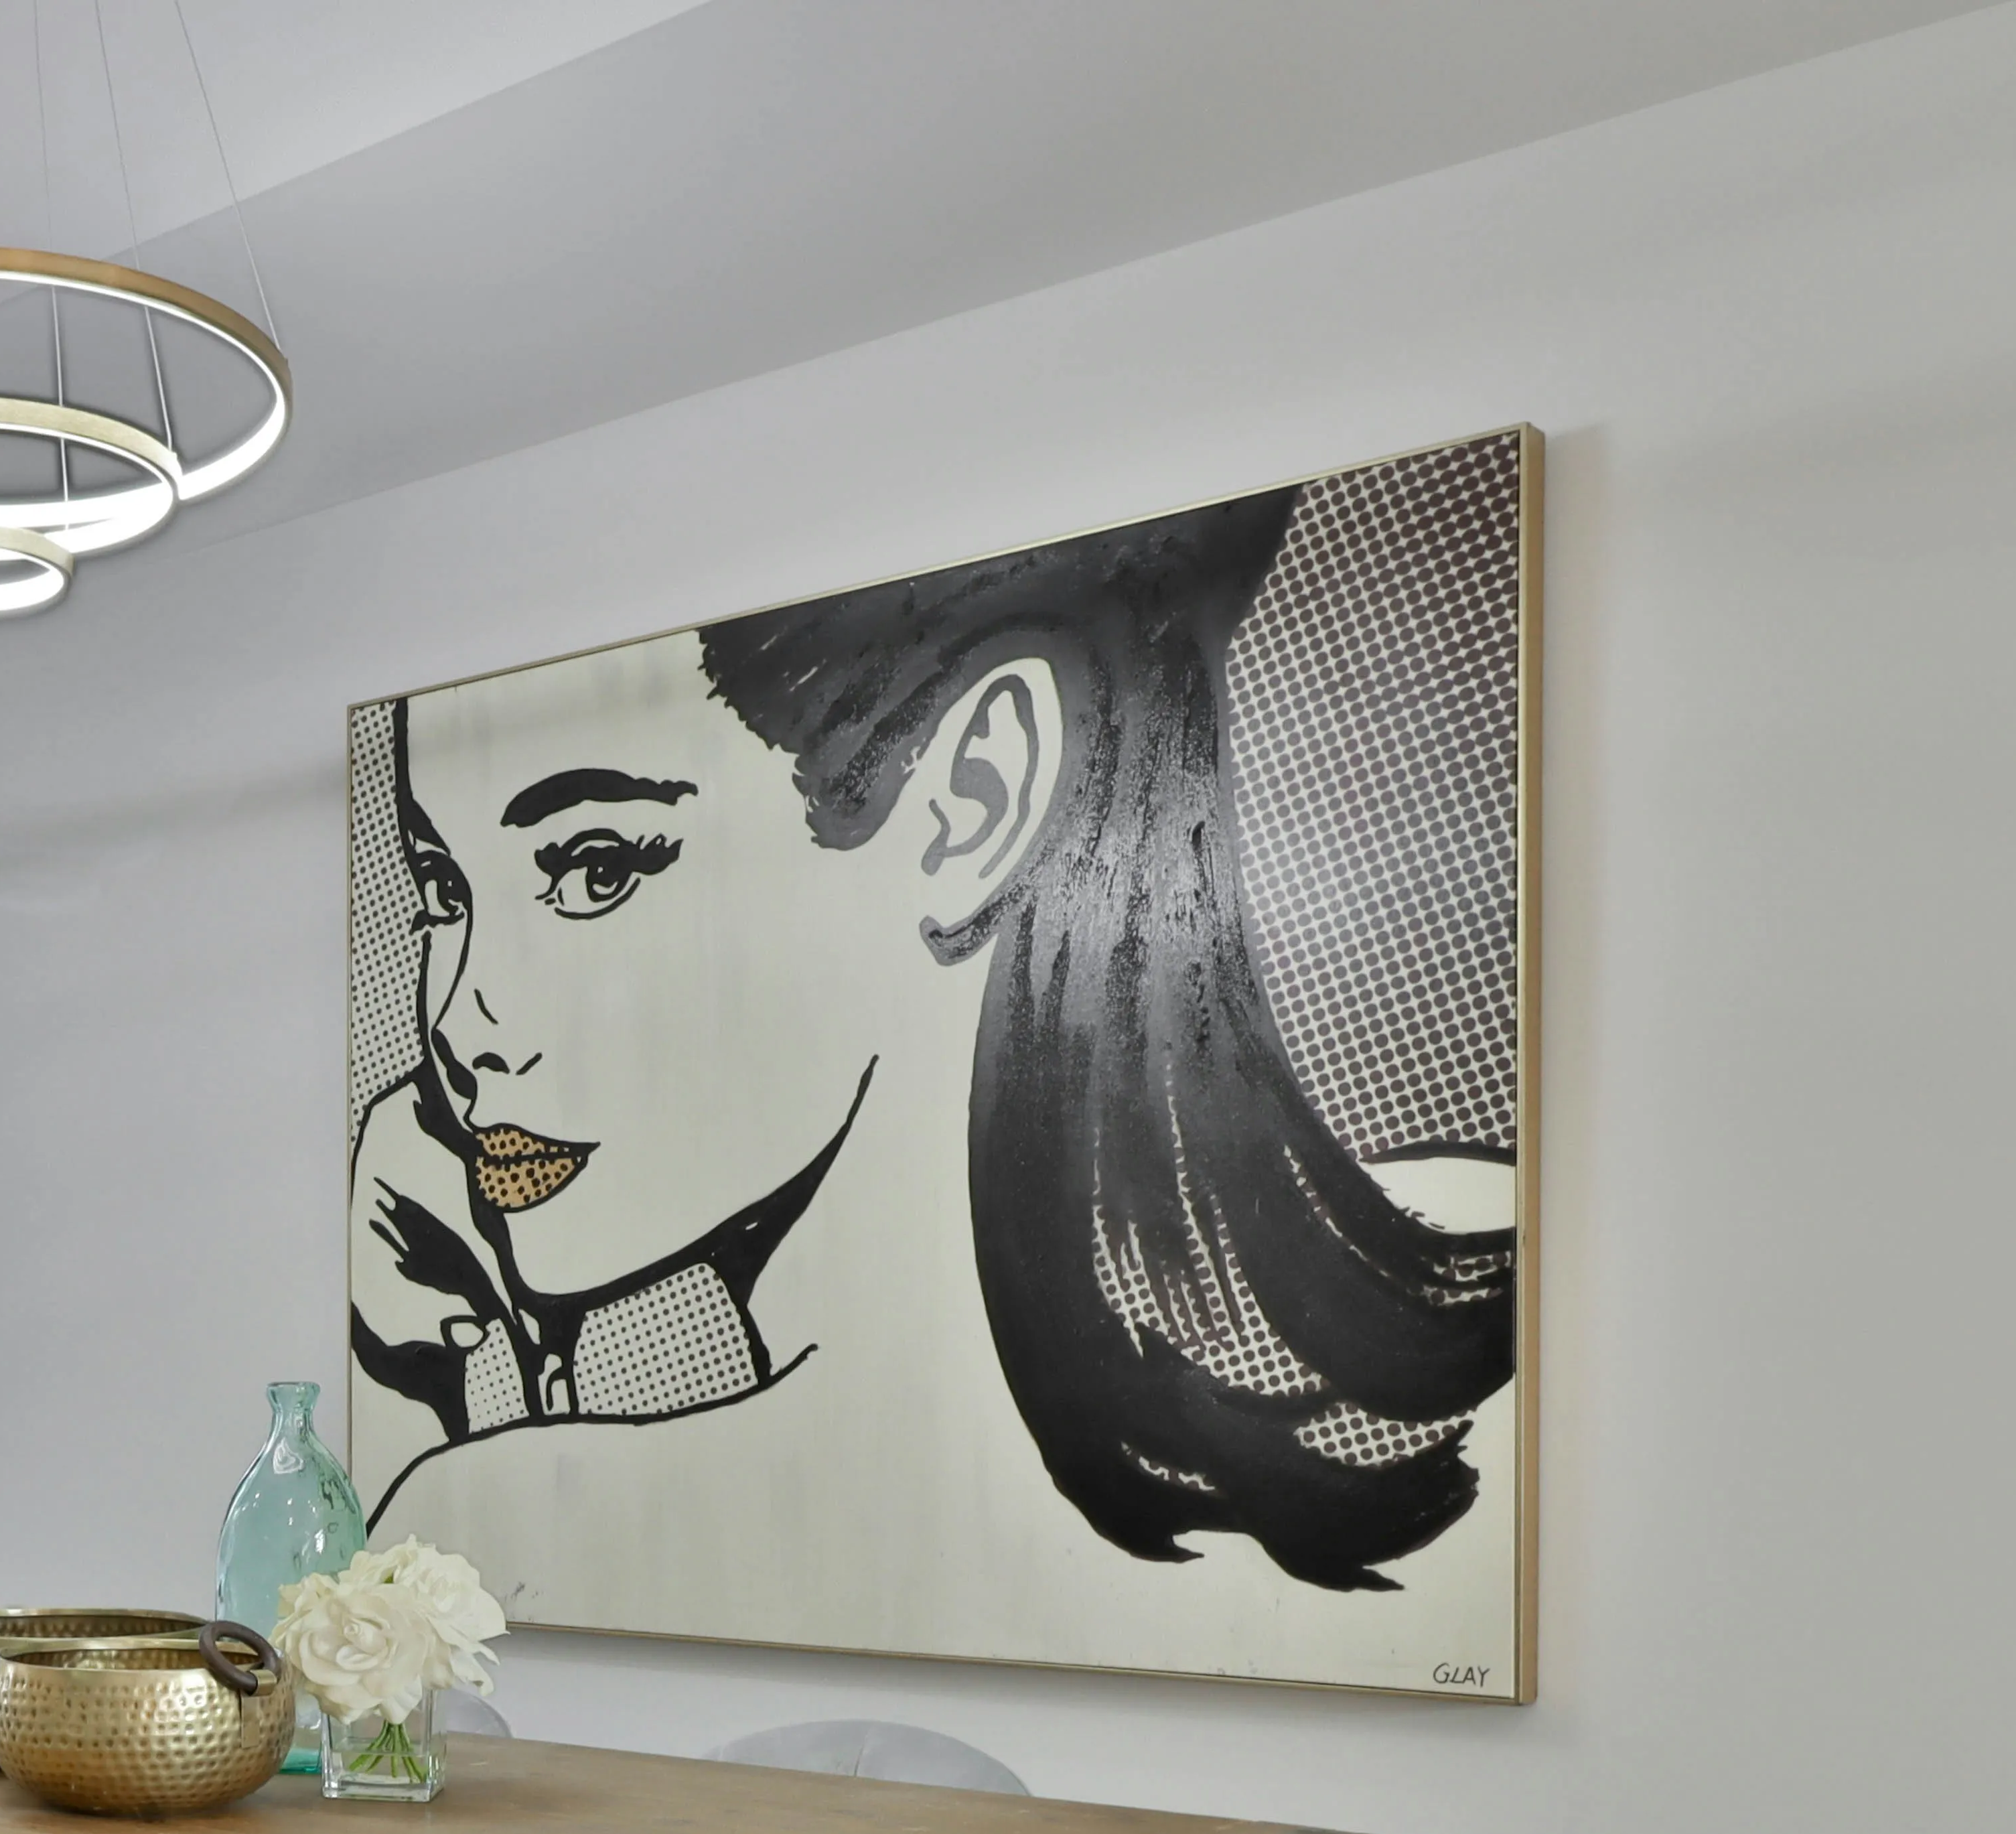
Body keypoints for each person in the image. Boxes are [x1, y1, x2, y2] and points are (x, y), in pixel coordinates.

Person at [348, 484, 1517, 1634]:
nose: (455, 1021)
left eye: (596, 867)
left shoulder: (487, 1527)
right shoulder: (488, 1518)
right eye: (442, 892)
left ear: (976, 797)